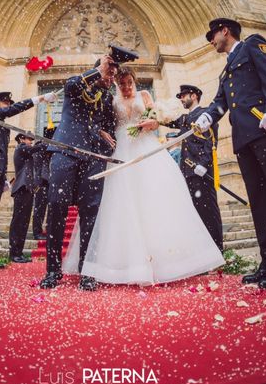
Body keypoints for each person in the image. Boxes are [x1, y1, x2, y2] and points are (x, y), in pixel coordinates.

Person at [62, 68, 224, 285]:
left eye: (129, 82)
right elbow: (104, 122)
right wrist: (102, 132)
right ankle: (120, 264)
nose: (126, 87)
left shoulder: (145, 96)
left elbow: (156, 121)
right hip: (121, 150)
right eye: (122, 84)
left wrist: (151, 124)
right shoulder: (111, 100)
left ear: (134, 81)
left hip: (145, 147)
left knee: (153, 198)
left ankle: (162, 261)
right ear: (117, 84)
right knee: (118, 202)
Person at [195, 18, 266, 288]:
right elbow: (220, 103)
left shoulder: (253, 45)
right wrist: (208, 117)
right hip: (244, 140)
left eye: (212, 35)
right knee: (260, 201)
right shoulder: (227, 69)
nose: (211, 41)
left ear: (225, 31)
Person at [40, 55, 118, 291]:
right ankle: (53, 271)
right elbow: (71, 87)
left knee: (91, 214)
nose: (111, 78)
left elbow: (109, 127)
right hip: (66, 150)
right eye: (109, 73)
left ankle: (88, 271)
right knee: (57, 207)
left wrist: (103, 136)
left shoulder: (108, 96)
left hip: (93, 158)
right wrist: (98, 71)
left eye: (113, 74)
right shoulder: (78, 83)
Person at [0, 91, 56, 270]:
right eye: (4, 102)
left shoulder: (1, 121)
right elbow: (15, 110)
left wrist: (3, 178)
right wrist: (38, 99)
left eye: (9, 102)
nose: (8, 104)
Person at [166, 84, 223, 251]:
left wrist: (204, 164)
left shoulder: (205, 115)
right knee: (195, 214)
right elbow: (168, 122)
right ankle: (204, 253)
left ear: (194, 95)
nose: (182, 99)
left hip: (201, 172)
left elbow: (211, 141)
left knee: (208, 212)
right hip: (187, 171)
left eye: (184, 95)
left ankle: (217, 251)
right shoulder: (185, 118)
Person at [8, 133, 44, 263]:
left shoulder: (28, 152)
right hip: (21, 188)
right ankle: (14, 253)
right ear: (21, 139)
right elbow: (35, 148)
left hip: (28, 189)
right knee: (18, 222)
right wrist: (44, 141)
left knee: (24, 222)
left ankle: (19, 252)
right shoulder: (21, 147)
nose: (30, 141)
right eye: (29, 139)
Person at [32, 127, 55, 241]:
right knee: (39, 208)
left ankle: (44, 229)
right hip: (40, 181)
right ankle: (36, 232)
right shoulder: (40, 146)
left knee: (45, 208)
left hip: (47, 181)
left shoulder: (46, 147)